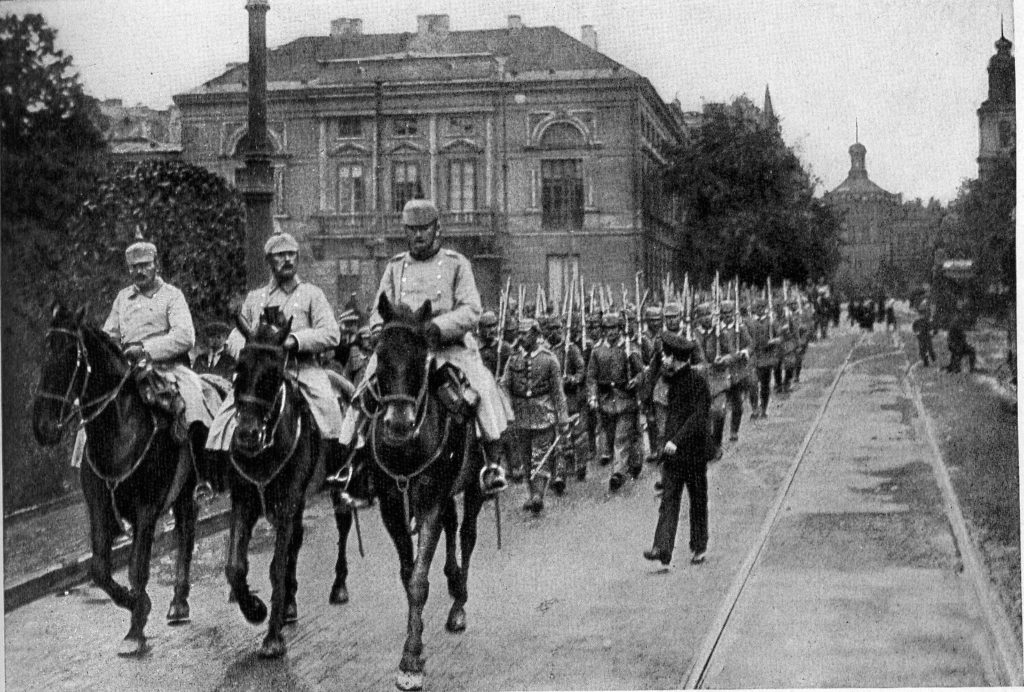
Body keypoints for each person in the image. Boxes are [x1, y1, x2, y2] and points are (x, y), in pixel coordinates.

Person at [337, 199, 513, 493]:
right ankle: (351, 461)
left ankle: (491, 463)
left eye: (424, 229)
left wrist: (437, 327)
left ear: (437, 229)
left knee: (482, 388)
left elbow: (472, 309)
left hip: (449, 348)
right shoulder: (394, 268)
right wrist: (383, 332)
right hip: (404, 352)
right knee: (363, 392)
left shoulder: (457, 264)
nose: (418, 236)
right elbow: (379, 311)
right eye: (412, 230)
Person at [205, 230, 344, 480]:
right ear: (269, 261)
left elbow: (331, 333)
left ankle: (337, 473)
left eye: (291, 254)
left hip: (302, 369)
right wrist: (249, 350)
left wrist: (296, 340)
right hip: (261, 373)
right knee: (223, 418)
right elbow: (236, 335)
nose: (287, 260)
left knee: (329, 408)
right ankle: (216, 478)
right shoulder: (255, 298)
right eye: (280, 256)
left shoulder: (312, 294)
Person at [103, 240, 219, 497]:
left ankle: (203, 477)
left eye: (145, 265)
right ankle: (99, 476)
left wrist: (144, 349)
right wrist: (114, 352)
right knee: (100, 407)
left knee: (194, 403)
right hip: (130, 371)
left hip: (170, 368)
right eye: (134, 267)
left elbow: (184, 337)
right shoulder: (123, 298)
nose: (139, 272)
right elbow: (108, 335)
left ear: (156, 265)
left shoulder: (172, 295)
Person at [643, 332, 711, 566]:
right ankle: (662, 548)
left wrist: (676, 440)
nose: (663, 359)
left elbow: (698, 417)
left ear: (676, 358)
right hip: (672, 454)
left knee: (697, 499)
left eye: (665, 356)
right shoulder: (669, 380)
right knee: (669, 498)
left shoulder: (698, 382)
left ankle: (699, 546)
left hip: (693, 452)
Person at [501, 318, 570, 513]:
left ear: (536, 334)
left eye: (525, 334)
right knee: (526, 458)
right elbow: (504, 384)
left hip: (543, 413)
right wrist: (508, 408)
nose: (521, 337)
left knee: (541, 456)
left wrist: (563, 419)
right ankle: (532, 494)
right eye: (519, 334)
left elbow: (558, 392)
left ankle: (538, 495)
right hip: (520, 415)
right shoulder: (513, 359)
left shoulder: (549, 359)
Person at [586, 312, 644, 491]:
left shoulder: (629, 348)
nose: (611, 332)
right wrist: (593, 396)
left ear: (620, 329)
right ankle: (632, 462)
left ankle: (617, 474)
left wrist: (636, 381)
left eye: (614, 328)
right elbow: (592, 377)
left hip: (625, 399)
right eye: (608, 329)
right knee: (612, 437)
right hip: (606, 401)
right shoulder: (597, 351)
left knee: (621, 437)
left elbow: (641, 372)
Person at [545, 314, 587, 486]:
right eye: (550, 329)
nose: (554, 332)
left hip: (571, 397)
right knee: (559, 435)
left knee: (577, 434)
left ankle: (581, 463)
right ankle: (560, 473)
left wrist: (571, 379)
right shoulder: (546, 351)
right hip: (554, 399)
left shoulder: (571, 349)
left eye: (556, 328)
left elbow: (581, 370)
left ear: (562, 329)